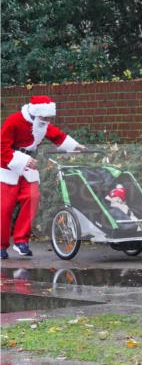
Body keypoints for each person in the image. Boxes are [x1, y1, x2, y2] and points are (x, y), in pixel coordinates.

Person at [0, 95, 83, 259]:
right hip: (8, 167)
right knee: (5, 207)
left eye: (48, 117)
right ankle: (1, 245)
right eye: (44, 117)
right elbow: (2, 147)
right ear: (35, 113)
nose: (46, 120)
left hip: (29, 168)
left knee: (33, 198)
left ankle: (21, 241)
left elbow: (57, 135)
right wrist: (22, 160)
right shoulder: (14, 121)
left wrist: (75, 146)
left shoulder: (42, 124)